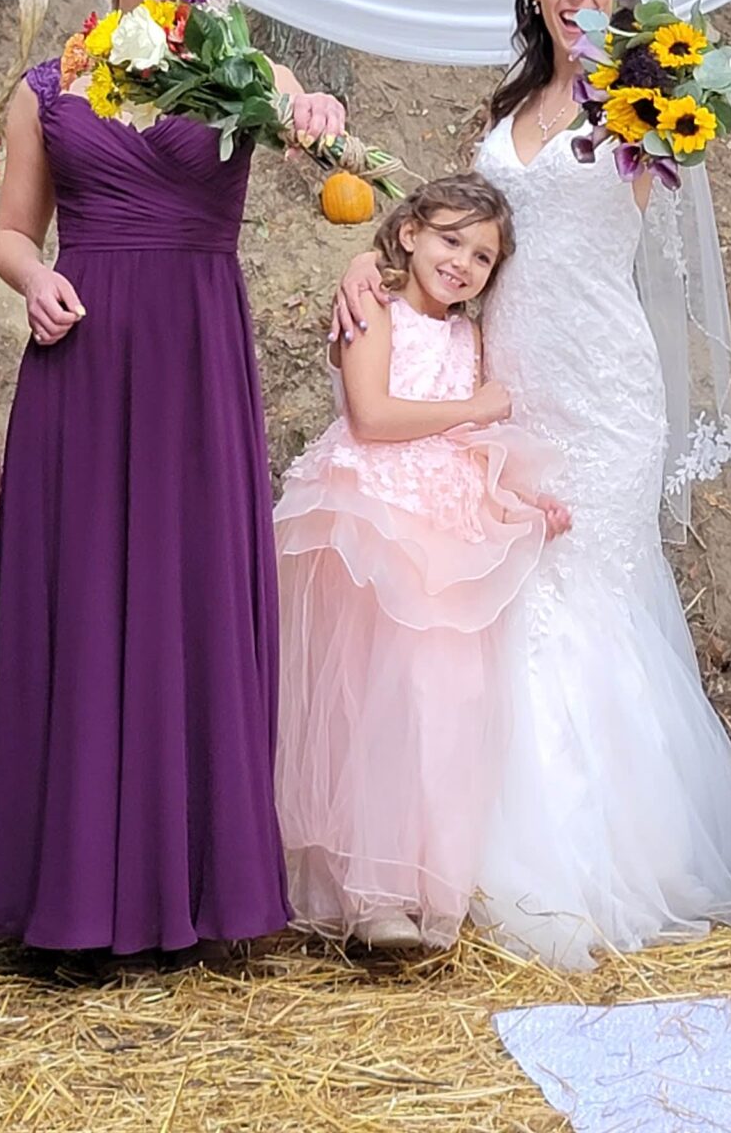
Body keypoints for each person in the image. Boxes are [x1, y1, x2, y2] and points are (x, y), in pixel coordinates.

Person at [334, 0, 731, 970]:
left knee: (584, 597)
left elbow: (688, 194)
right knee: (502, 598)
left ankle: (599, 858)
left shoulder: (647, 100)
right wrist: (369, 263)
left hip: (605, 383)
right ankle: (463, 852)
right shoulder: (511, 103)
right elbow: (459, 226)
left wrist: (649, 87)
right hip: (503, 377)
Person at [0, 0, 345, 960]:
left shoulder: (240, 67)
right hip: (85, 357)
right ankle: (68, 901)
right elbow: (8, 236)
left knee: (189, 600)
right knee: (81, 603)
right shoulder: (47, 88)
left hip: (195, 359)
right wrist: (29, 283)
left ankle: (199, 893)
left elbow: (319, 141)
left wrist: (317, 114)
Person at [274, 174, 571, 952]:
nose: (463, 264)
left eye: (482, 257)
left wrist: (522, 501)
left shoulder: (469, 338)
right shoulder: (371, 306)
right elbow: (372, 417)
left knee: (449, 699)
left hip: (449, 529)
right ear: (407, 234)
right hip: (373, 517)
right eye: (450, 240)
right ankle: (369, 894)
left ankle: (426, 881)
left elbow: (474, 450)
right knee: (377, 694)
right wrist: (475, 407)